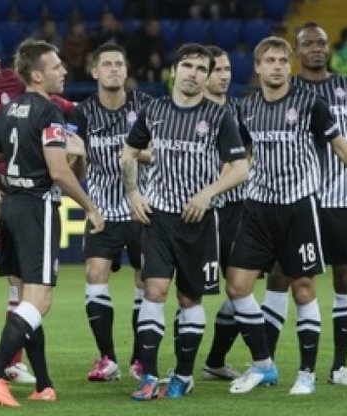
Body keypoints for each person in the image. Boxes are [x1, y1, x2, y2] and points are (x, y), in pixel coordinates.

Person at [225, 36, 347, 396]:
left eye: (283, 60)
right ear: (257, 67)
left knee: (303, 288)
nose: (277, 66)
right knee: (236, 286)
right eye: (270, 60)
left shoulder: (310, 104)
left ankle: (307, 373)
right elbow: (240, 154)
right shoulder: (247, 107)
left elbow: (342, 146)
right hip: (257, 208)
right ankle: (263, 365)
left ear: (290, 66)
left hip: (299, 207)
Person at [0, 39, 105, 407]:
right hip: (38, 207)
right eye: (56, 66)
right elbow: (59, 172)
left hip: (13, 208)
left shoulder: (6, 111)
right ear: (36, 75)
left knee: (26, 301)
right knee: (40, 301)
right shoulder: (49, 113)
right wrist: (91, 208)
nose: (63, 71)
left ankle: (43, 384)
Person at [121, 43, 248, 401]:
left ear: (207, 77)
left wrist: (207, 194)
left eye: (201, 68)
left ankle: (183, 375)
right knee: (154, 291)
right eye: (188, 66)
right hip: (158, 217)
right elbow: (128, 153)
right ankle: (148, 376)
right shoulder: (154, 110)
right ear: (174, 70)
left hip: (200, 221)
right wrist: (133, 194)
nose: (194, 73)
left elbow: (240, 168)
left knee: (189, 298)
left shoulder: (219, 116)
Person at [66, 42, 152, 382]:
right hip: (102, 211)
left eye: (119, 63)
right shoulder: (82, 114)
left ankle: (139, 359)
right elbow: (76, 174)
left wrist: (133, 153)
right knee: (94, 273)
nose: (114, 68)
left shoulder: (145, 106)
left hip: (142, 209)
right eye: (107, 64)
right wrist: (78, 156)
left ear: (126, 70)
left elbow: (159, 153)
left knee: (146, 281)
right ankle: (107, 358)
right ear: (95, 71)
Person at [199, 45, 244, 382]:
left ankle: (215, 360)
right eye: (217, 70)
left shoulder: (241, 110)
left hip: (236, 209)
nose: (224, 76)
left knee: (239, 287)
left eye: (227, 69)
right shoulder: (184, 111)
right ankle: (182, 364)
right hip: (195, 211)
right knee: (190, 290)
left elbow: (250, 154)